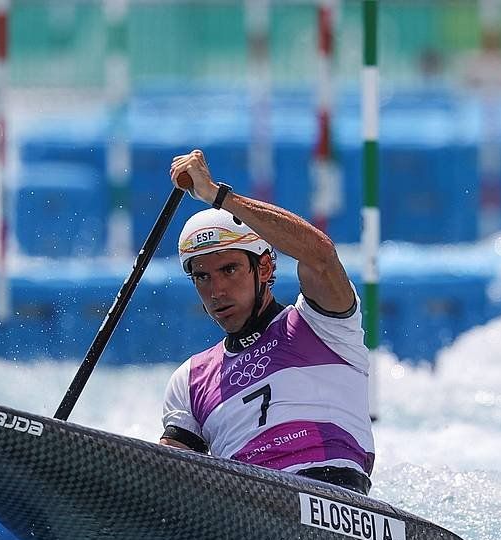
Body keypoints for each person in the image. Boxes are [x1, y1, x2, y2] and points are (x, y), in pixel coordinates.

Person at [159, 149, 375, 495]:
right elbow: (167, 480)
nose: (216, 291)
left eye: (229, 270)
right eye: (202, 277)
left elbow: (319, 256)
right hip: (244, 509)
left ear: (264, 268)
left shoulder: (323, 325)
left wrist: (218, 196)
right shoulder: (189, 380)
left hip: (333, 495)